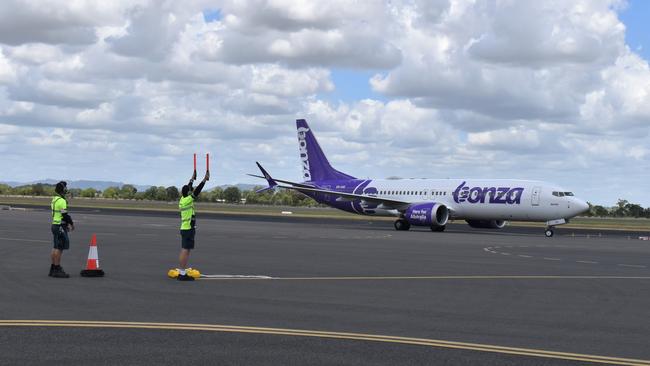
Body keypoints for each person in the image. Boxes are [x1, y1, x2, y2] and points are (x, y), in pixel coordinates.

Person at [177, 170, 209, 281]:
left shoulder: (182, 199)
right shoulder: (189, 200)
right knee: (185, 250)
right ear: (188, 193)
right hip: (188, 229)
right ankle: (182, 273)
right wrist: (204, 180)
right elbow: (197, 190)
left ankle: (182, 271)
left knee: (185, 250)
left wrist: (192, 178)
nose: (191, 191)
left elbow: (189, 187)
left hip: (184, 228)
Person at [50, 181, 74, 278]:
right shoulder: (62, 201)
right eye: (65, 189)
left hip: (55, 225)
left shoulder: (54, 199)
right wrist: (71, 223)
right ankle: (57, 268)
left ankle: (53, 268)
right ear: (62, 190)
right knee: (59, 248)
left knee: (55, 247)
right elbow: (64, 215)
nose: (66, 190)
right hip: (60, 226)